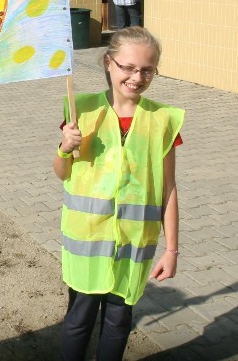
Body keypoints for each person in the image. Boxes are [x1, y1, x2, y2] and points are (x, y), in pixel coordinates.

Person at [52, 27, 184, 361]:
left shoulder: (163, 120)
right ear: (109, 63)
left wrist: (172, 250)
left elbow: (168, 188)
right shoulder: (81, 110)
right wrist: (65, 148)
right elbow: (62, 172)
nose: (137, 77)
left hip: (133, 243)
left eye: (147, 69)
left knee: (118, 320)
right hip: (88, 241)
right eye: (128, 67)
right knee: (78, 319)